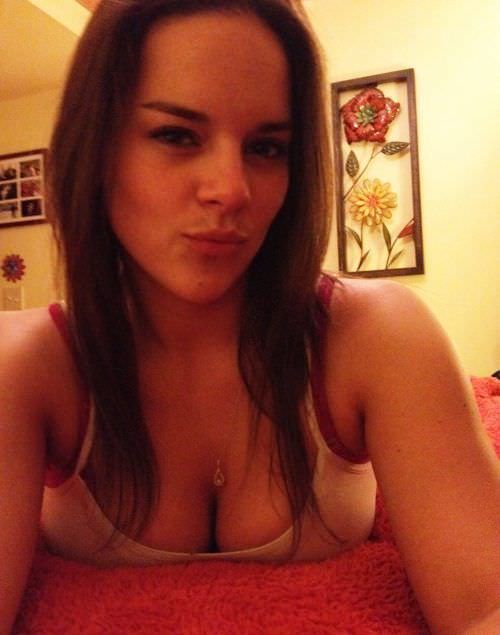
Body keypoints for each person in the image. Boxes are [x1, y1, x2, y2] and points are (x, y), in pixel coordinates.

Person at [0, 0, 498, 632]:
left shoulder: (376, 335)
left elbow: (484, 606)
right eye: (177, 136)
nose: (232, 189)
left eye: (266, 147)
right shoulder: (27, 364)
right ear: (95, 149)